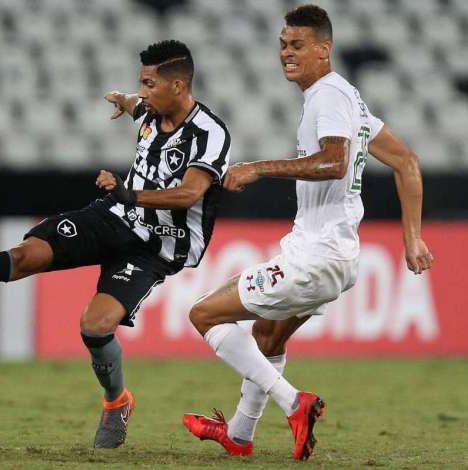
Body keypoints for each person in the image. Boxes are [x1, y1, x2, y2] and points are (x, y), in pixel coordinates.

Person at [0, 40, 231, 449]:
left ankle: (117, 401)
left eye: (150, 84)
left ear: (178, 86)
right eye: (140, 84)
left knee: (94, 326)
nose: (143, 92)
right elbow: (133, 103)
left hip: (156, 246)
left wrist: (131, 194)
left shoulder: (210, 133)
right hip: (113, 216)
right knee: (24, 256)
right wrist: (122, 99)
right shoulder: (148, 110)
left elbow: (189, 194)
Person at [181, 4, 434, 461]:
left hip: (314, 257)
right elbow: (406, 161)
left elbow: (333, 162)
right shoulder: (349, 98)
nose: (286, 53)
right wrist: (411, 238)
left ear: (325, 48)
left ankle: (293, 402)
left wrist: (258, 167)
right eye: (282, 44)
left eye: (297, 45)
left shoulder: (328, 98)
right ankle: (239, 434)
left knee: (203, 315)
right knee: (268, 338)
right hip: (338, 256)